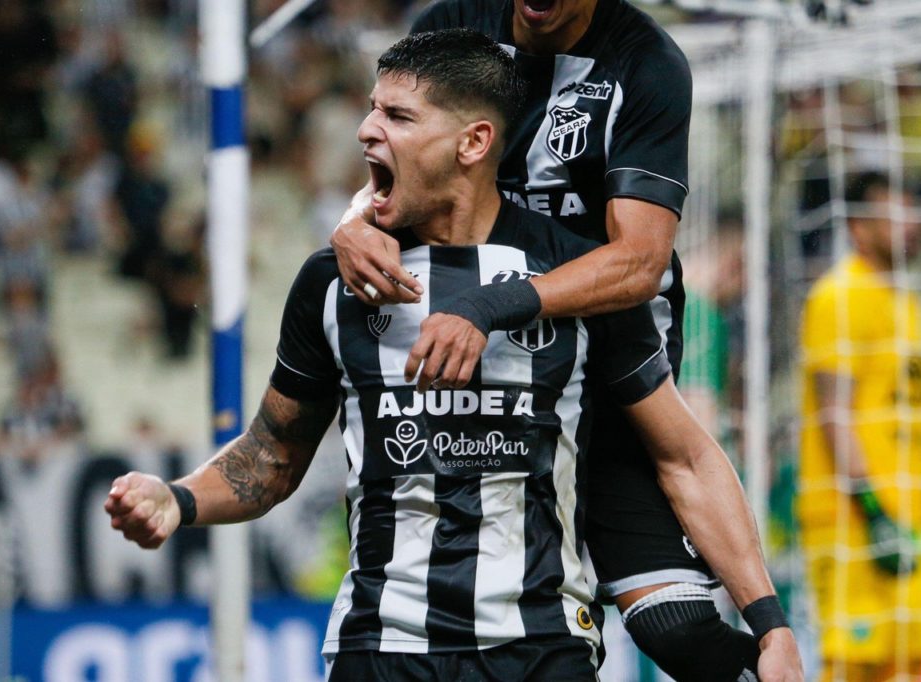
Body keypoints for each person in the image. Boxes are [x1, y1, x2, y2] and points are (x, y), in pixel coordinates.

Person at [107, 29, 796, 681]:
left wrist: (769, 624)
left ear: (473, 142)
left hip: (540, 647)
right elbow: (272, 454)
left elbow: (685, 455)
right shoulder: (333, 281)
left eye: (399, 117)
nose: (367, 130)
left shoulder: (573, 280)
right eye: (372, 110)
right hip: (380, 647)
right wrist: (178, 498)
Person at [330, 2, 801, 679]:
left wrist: (495, 302)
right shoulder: (454, 20)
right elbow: (398, 140)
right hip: (487, 394)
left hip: (606, 363)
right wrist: (352, 218)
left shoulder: (646, 64)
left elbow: (638, 264)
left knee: (679, 630)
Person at [799, 171, 921, 682]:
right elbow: (834, 411)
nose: (911, 225)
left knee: (903, 665)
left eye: (912, 212)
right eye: (894, 215)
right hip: (853, 522)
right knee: (854, 666)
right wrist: (873, 511)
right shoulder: (839, 295)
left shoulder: (905, 301)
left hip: (908, 517)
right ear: (858, 227)